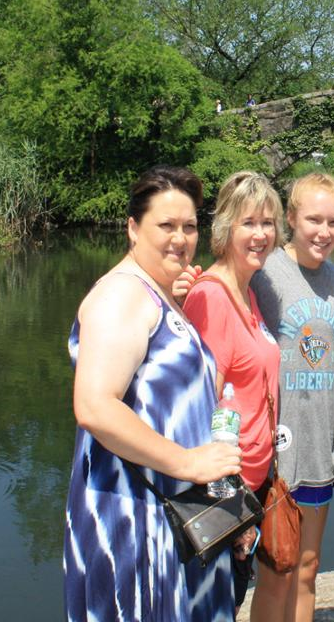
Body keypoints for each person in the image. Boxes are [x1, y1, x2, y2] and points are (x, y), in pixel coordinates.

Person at [63, 165, 242, 622]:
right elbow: (95, 406)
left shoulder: (155, 294)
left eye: (189, 227)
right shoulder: (121, 295)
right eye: (166, 225)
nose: (180, 239)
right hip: (134, 517)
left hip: (176, 515)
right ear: (132, 227)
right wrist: (188, 463)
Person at [183, 171, 284, 616]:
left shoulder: (248, 291)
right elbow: (202, 411)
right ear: (225, 227)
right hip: (225, 494)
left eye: (268, 223)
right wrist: (233, 510)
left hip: (252, 484)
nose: (260, 234)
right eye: (249, 223)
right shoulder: (211, 297)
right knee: (216, 607)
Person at [251, 173, 334, 622]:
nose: (323, 232)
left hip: (317, 446)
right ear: (290, 218)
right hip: (274, 450)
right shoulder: (265, 270)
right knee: (277, 570)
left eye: (333, 222)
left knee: (307, 567)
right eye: (313, 220)